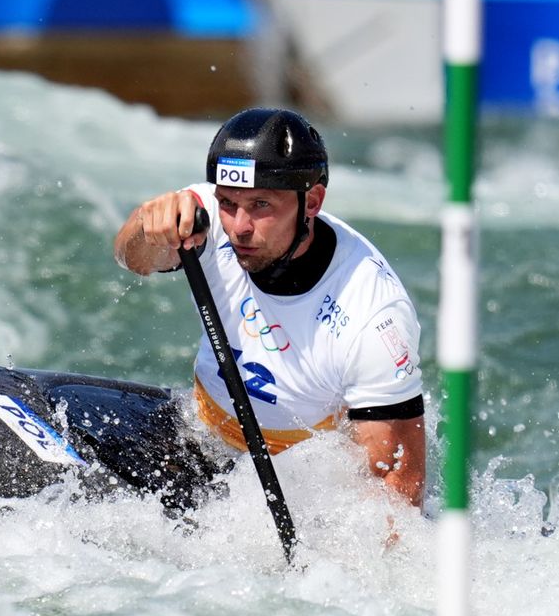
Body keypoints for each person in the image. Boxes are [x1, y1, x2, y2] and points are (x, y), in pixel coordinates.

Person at [113, 107, 426, 506]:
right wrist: (147, 224)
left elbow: (397, 495)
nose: (239, 226)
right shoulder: (204, 216)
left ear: (312, 201)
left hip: (297, 480)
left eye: (262, 205)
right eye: (228, 202)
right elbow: (134, 259)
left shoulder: (373, 317)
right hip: (198, 432)